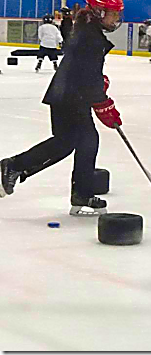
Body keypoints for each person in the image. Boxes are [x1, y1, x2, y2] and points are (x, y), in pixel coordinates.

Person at [0, 0, 124, 217]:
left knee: (80, 141)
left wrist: (98, 83)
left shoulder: (87, 30)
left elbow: (82, 68)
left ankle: (80, 194)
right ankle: (13, 166)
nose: (116, 19)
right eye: (113, 14)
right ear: (99, 12)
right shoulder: (90, 37)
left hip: (71, 93)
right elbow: (85, 71)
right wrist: (104, 104)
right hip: (70, 95)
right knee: (72, 141)